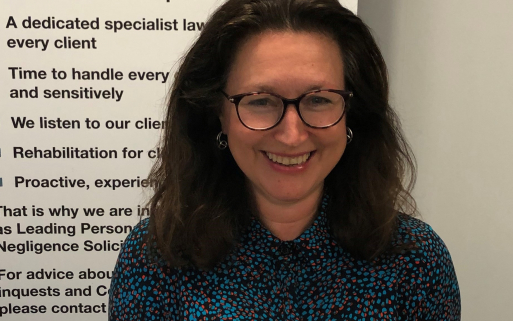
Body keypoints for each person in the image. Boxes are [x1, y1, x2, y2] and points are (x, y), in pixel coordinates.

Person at [108, 0, 460, 319]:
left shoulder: (416, 260)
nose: (292, 135)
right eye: (260, 100)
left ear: (352, 112)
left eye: (319, 100)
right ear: (217, 113)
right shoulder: (156, 255)